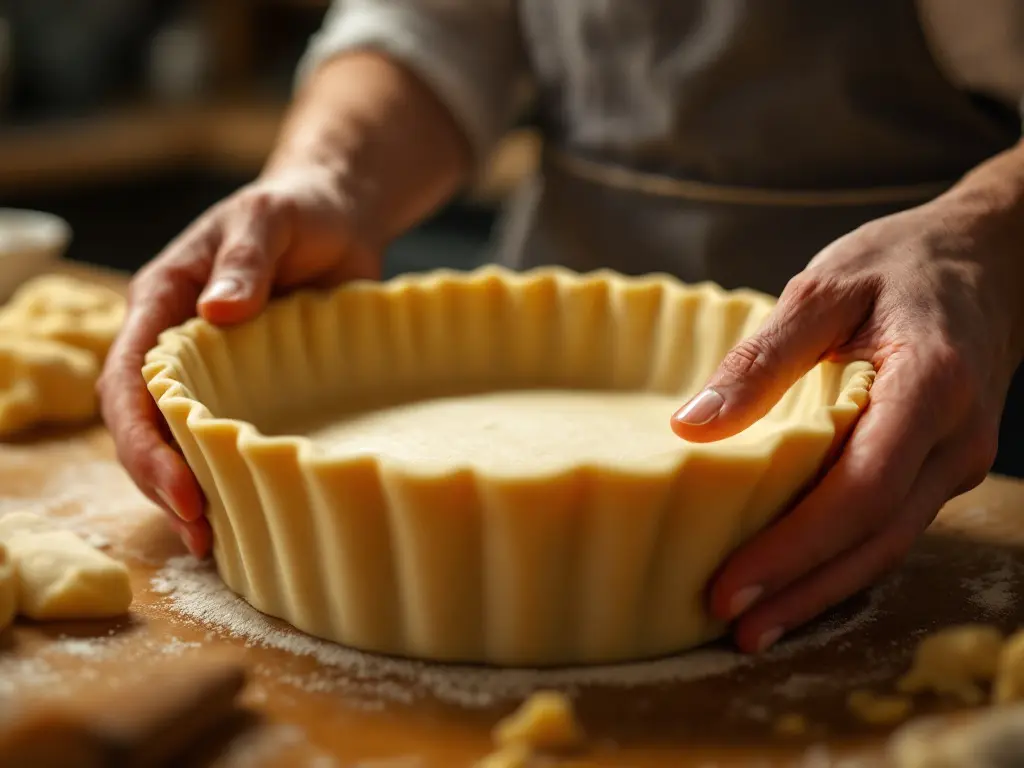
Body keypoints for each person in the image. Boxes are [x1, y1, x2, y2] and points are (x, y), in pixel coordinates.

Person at [98, 0, 1024, 655]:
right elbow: (431, 29)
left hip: (958, 376)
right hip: (568, 261)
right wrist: (325, 177)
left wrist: (987, 240)